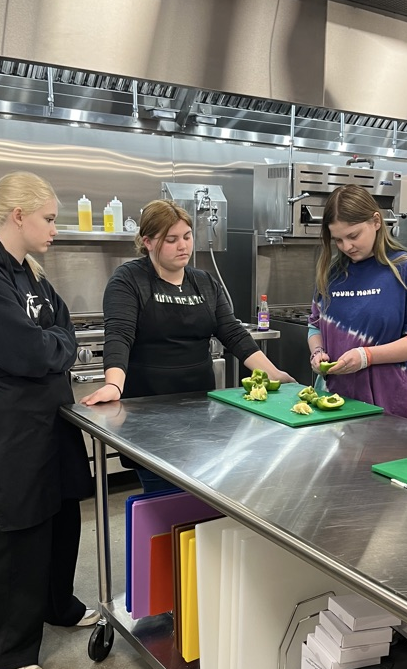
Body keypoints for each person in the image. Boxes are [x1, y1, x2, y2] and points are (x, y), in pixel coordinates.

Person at [0, 172, 97, 669]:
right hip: (15, 419)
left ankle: (56, 604)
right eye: (50, 219)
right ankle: (3, 649)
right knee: (18, 527)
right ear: (18, 216)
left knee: (61, 516)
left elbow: (64, 329)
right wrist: (53, 348)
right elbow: (29, 351)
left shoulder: (31, 273)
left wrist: (52, 347)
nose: (55, 229)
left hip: (52, 412)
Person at [81, 199, 294, 491]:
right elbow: (119, 334)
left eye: (187, 236)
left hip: (199, 409)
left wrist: (273, 373)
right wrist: (114, 385)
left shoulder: (204, 282)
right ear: (148, 242)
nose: (183, 246)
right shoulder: (128, 280)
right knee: (162, 495)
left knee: (199, 494)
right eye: (171, 240)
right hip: (148, 412)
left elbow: (231, 332)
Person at [307, 185, 407, 419]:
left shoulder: (405, 269)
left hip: (387, 406)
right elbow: (315, 325)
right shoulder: (331, 274)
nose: (347, 246)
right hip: (334, 403)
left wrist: (367, 356)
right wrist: (317, 353)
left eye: (353, 235)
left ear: (376, 221)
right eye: (338, 240)